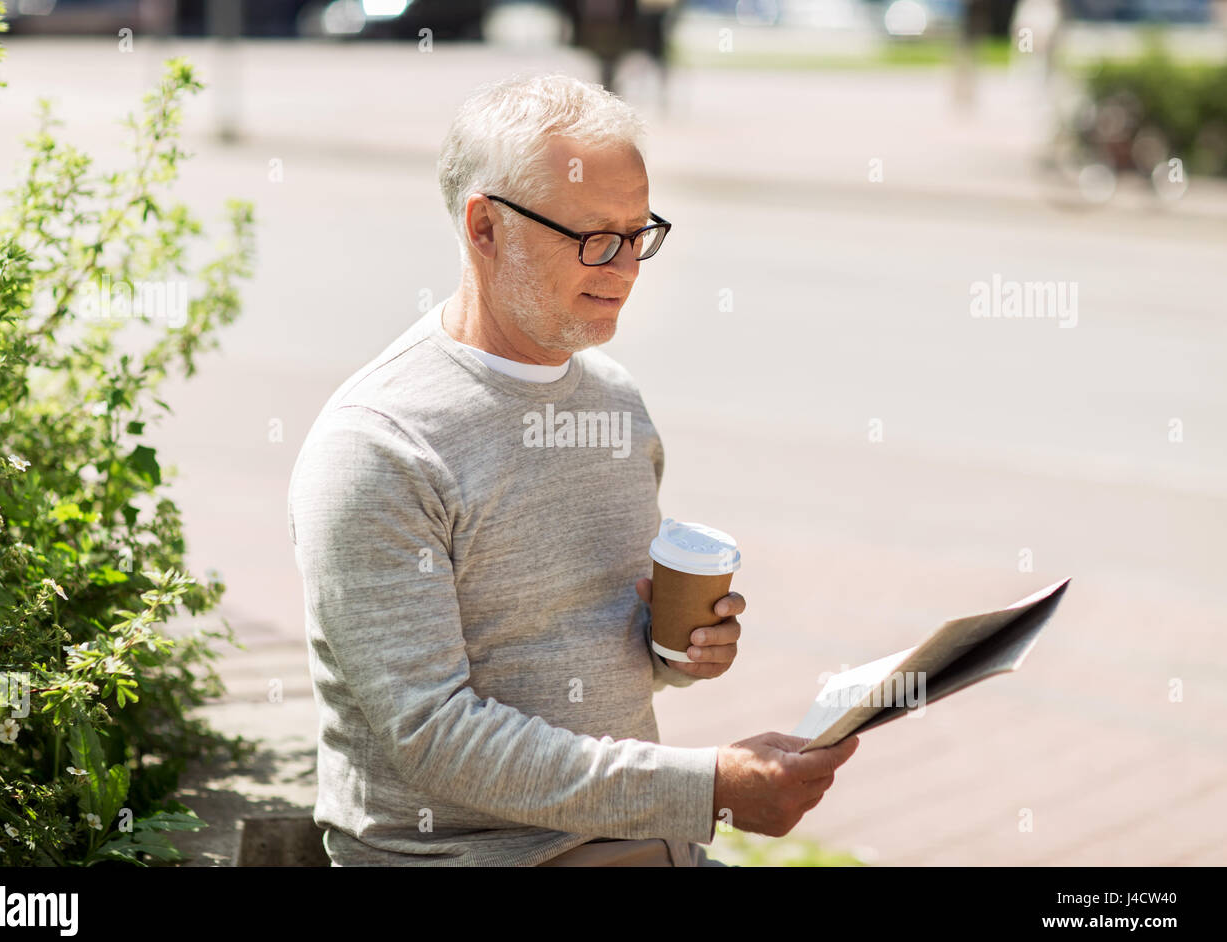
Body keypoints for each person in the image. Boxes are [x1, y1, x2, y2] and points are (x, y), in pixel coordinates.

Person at [286, 72, 861, 867]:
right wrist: (710, 786)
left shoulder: (616, 404)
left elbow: (573, 654)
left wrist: (671, 651)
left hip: (635, 842)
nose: (625, 268)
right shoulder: (379, 447)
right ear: (484, 227)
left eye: (639, 233)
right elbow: (433, 737)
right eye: (593, 237)